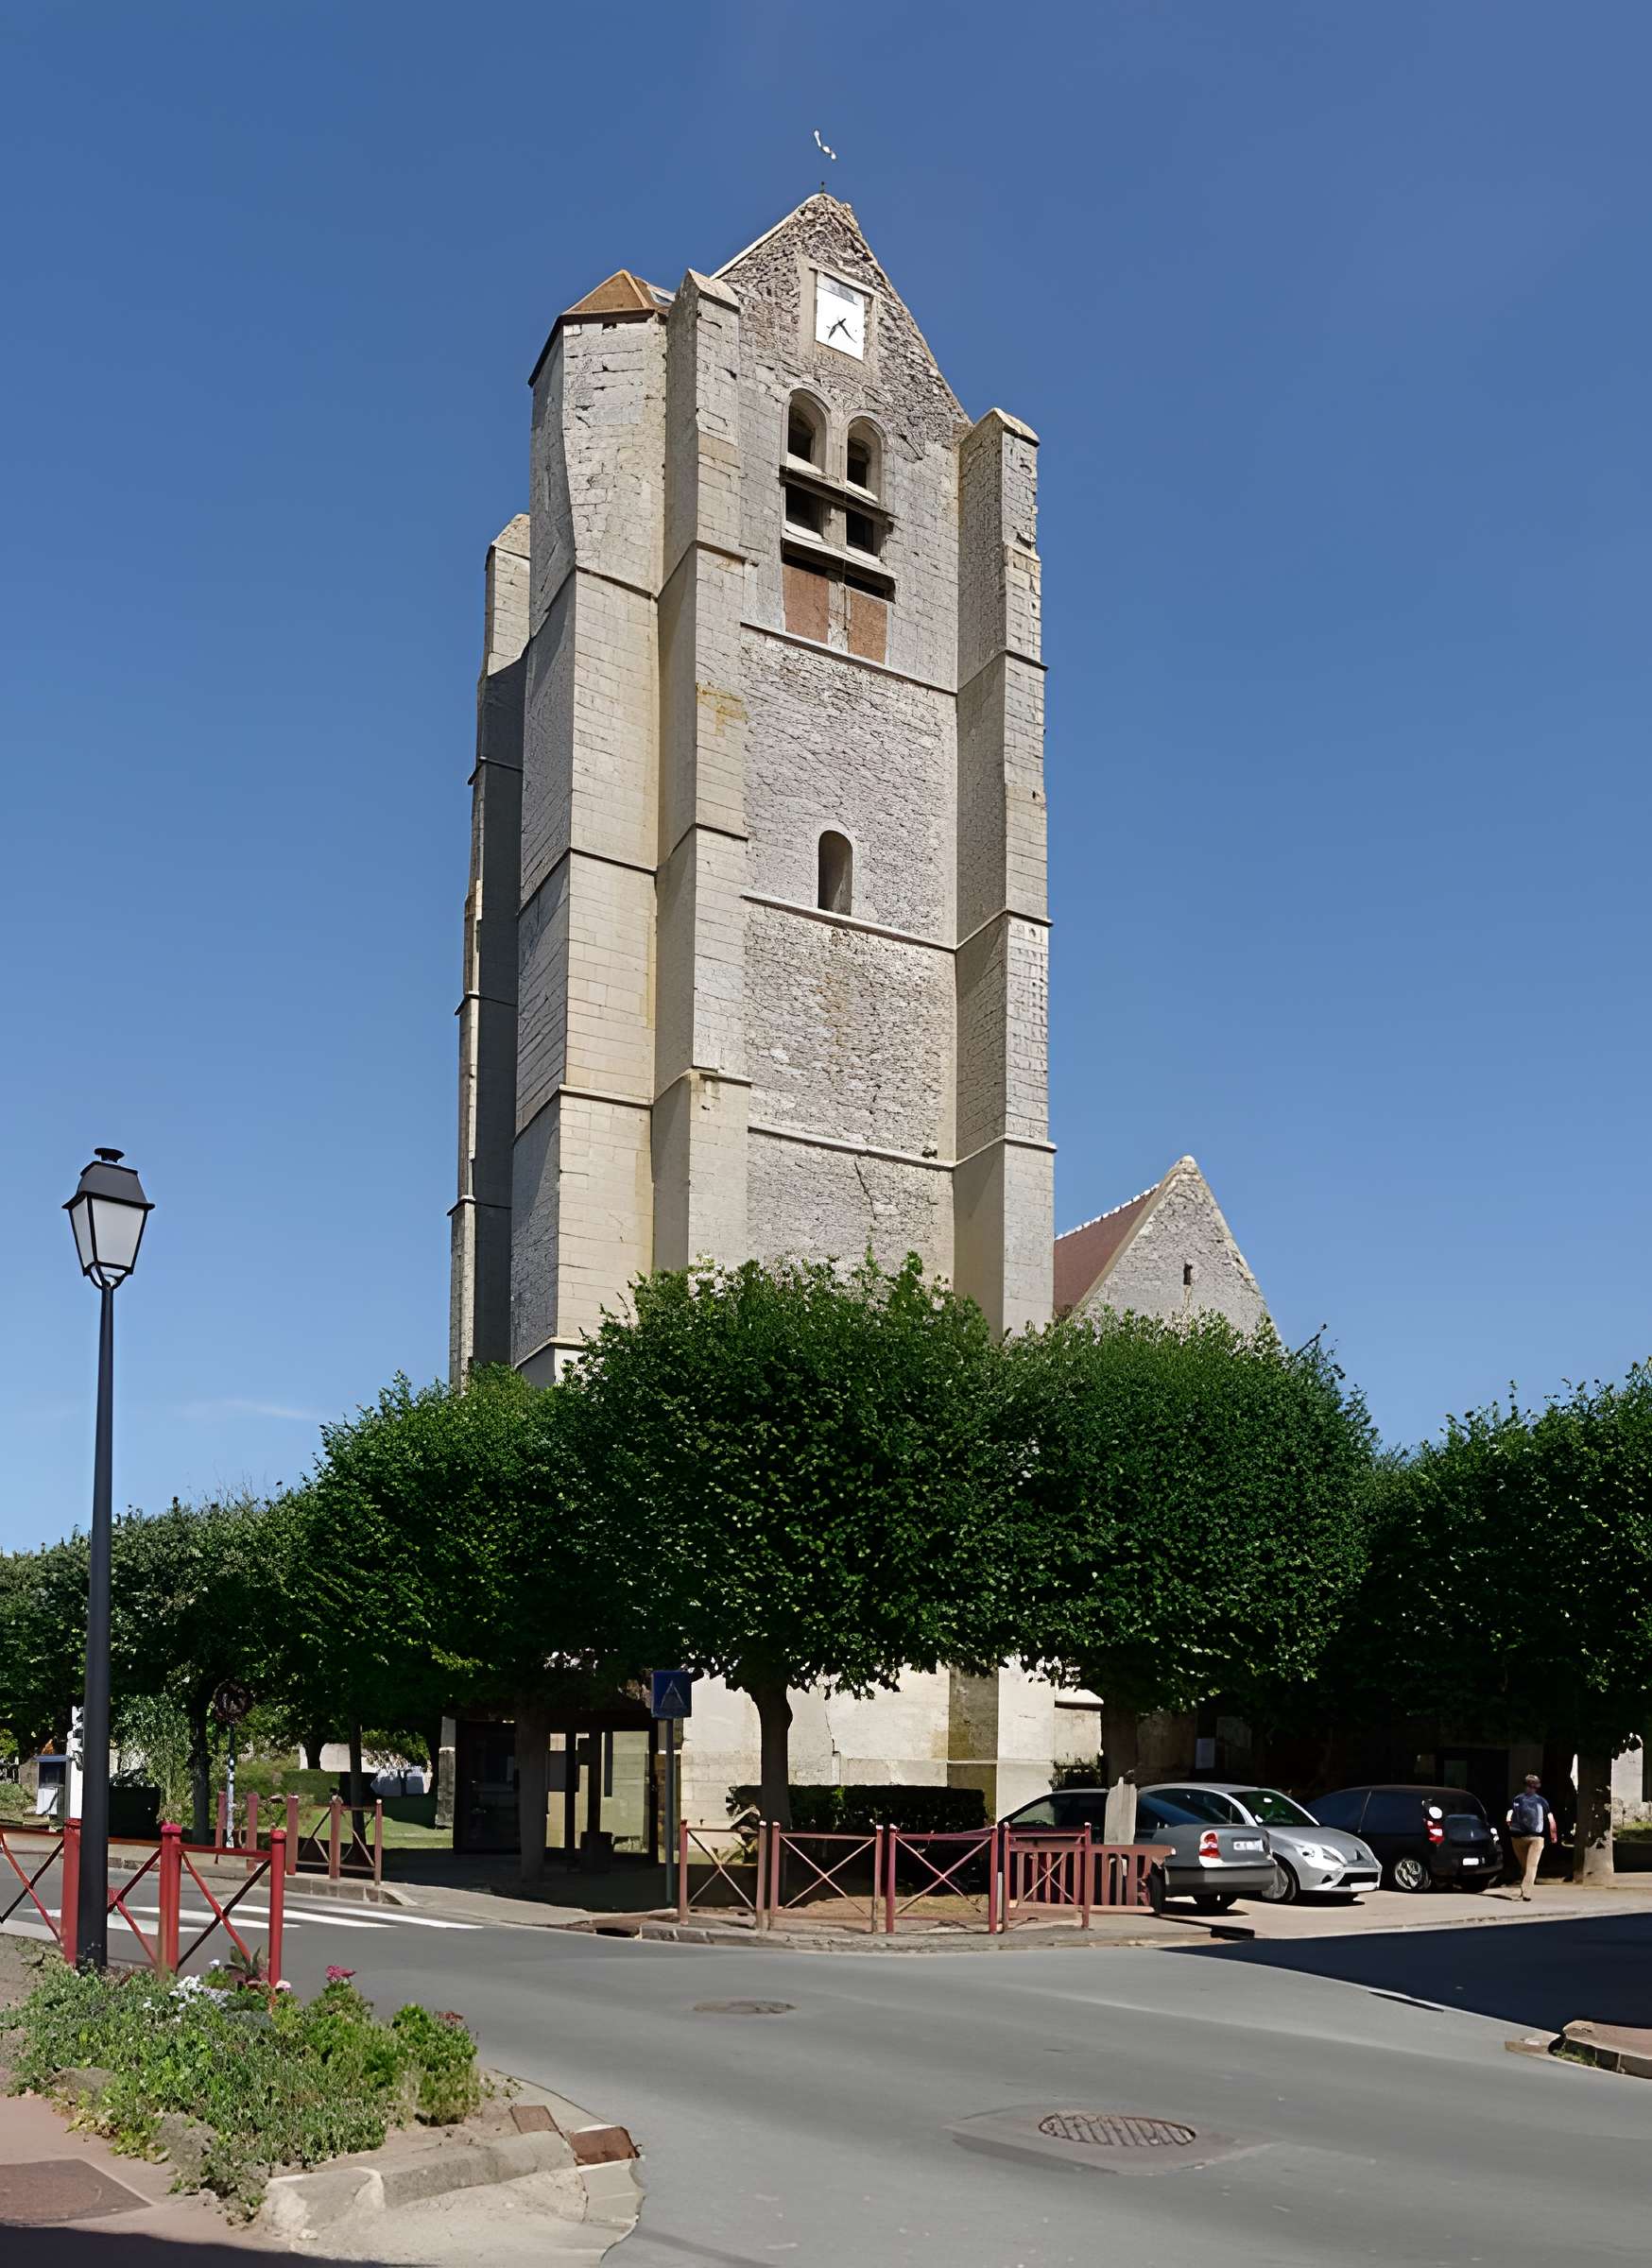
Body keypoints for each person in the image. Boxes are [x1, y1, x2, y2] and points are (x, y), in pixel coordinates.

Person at [1505, 1774, 1557, 1899]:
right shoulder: (1542, 1801)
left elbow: (1508, 1818)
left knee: (1525, 1866)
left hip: (1517, 1837)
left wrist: (1512, 1827)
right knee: (1531, 1866)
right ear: (1537, 1787)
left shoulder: (1517, 1799)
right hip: (1536, 1838)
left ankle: (1525, 1889)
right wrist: (1553, 1835)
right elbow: (1551, 1820)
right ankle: (1526, 1891)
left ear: (1525, 1785)